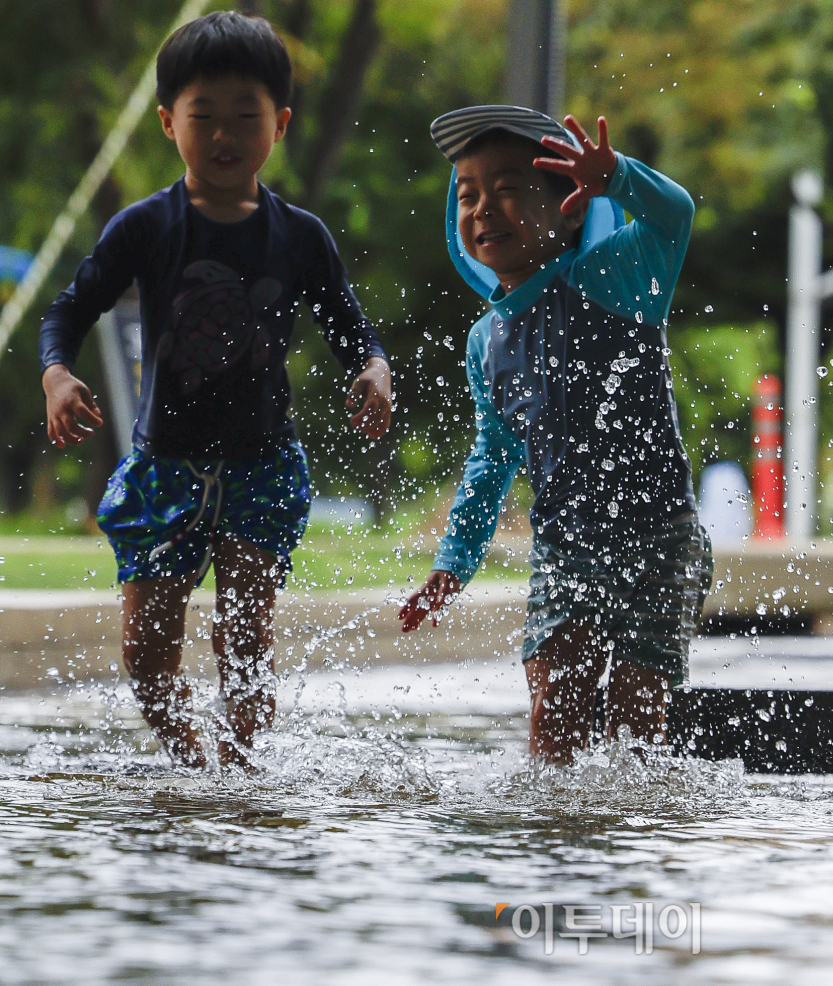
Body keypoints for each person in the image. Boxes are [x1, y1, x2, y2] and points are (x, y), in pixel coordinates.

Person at [39, 12, 391, 769]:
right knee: (145, 653)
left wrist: (374, 368)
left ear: (281, 124)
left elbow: (350, 327)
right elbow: (68, 308)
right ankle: (195, 765)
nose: (224, 135)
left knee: (244, 638)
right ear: (169, 123)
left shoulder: (300, 237)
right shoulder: (144, 227)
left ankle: (241, 774)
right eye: (204, 116)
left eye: (245, 116)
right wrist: (57, 373)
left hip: (261, 469)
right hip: (164, 469)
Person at [399, 105, 711, 763]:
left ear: (570, 207)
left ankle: (628, 845)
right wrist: (453, 563)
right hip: (565, 546)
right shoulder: (485, 341)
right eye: (468, 195)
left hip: (657, 537)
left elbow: (675, 215)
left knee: (634, 724)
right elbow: (495, 455)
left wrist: (618, 176)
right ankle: (551, 848)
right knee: (553, 715)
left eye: (509, 188)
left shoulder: (611, 277)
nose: (484, 208)